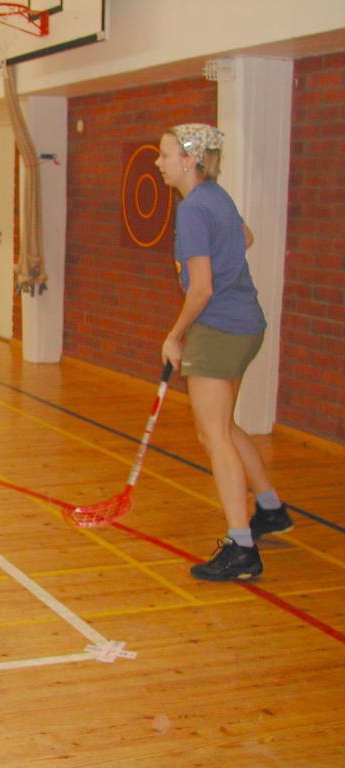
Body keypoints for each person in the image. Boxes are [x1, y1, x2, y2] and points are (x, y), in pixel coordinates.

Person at [155, 123, 292, 582]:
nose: (159, 163)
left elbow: (201, 289)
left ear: (189, 161)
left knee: (213, 435)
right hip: (245, 324)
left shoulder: (194, 208)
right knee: (224, 426)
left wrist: (175, 335)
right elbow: (244, 236)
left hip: (219, 329)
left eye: (165, 155)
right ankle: (269, 508)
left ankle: (242, 548)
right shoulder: (216, 196)